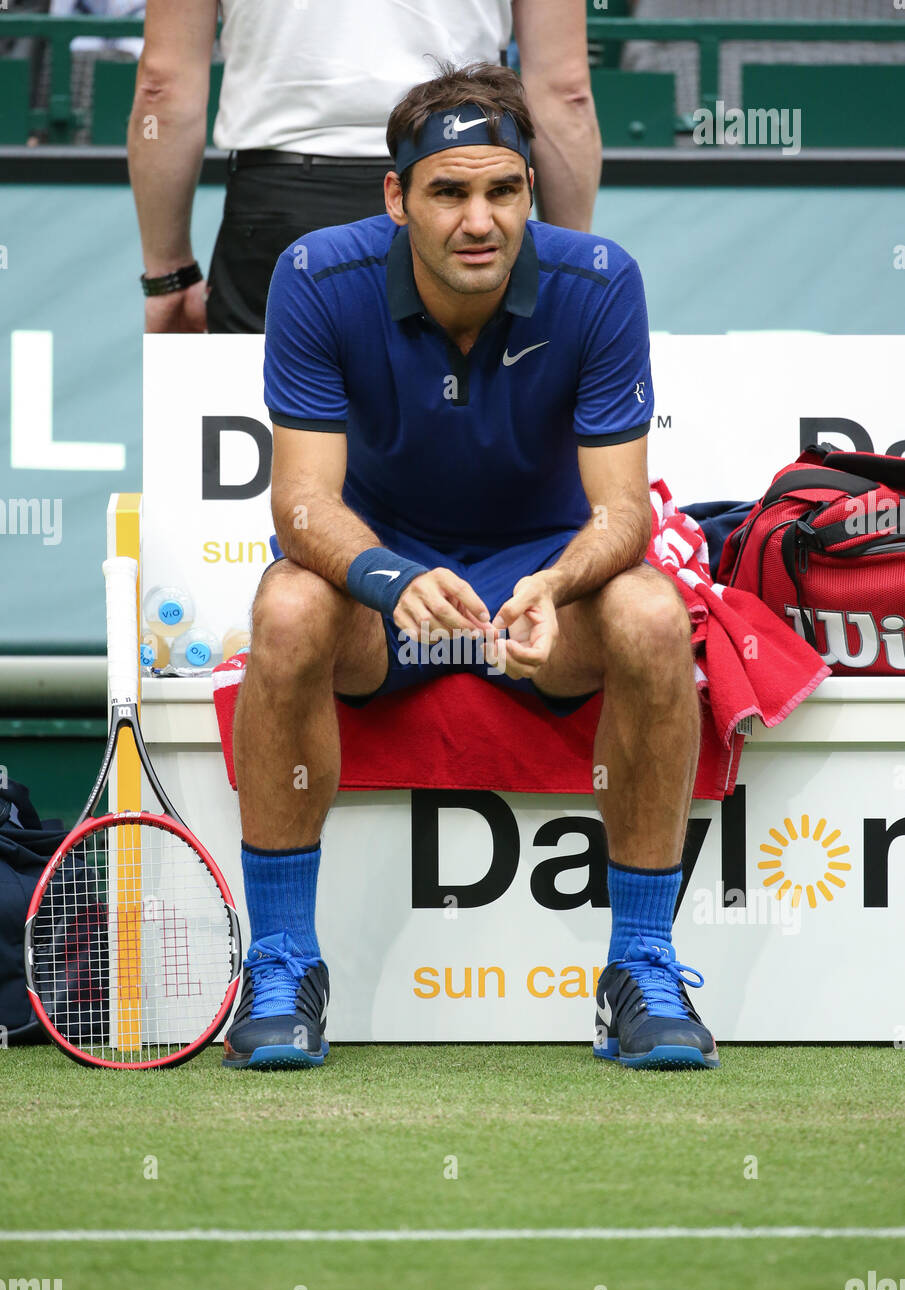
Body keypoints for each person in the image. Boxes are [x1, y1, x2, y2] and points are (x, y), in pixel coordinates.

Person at [223, 61, 718, 1075]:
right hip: (383, 587)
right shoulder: (316, 276)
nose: (479, 219)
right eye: (448, 191)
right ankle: (280, 963)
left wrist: (557, 584)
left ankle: (641, 965)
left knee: (651, 616)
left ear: (530, 189)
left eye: (503, 189)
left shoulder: (599, 280)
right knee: (282, 605)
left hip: (541, 586)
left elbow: (622, 509)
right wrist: (387, 578)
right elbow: (302, 503)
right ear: (396, 196)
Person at [127, 0, 602, 333]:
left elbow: (160, 90)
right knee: (453, 453)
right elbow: (566, 93)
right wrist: (572, 271)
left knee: (273, 459)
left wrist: (169, 277)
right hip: (455, 190)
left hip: (277, 205)